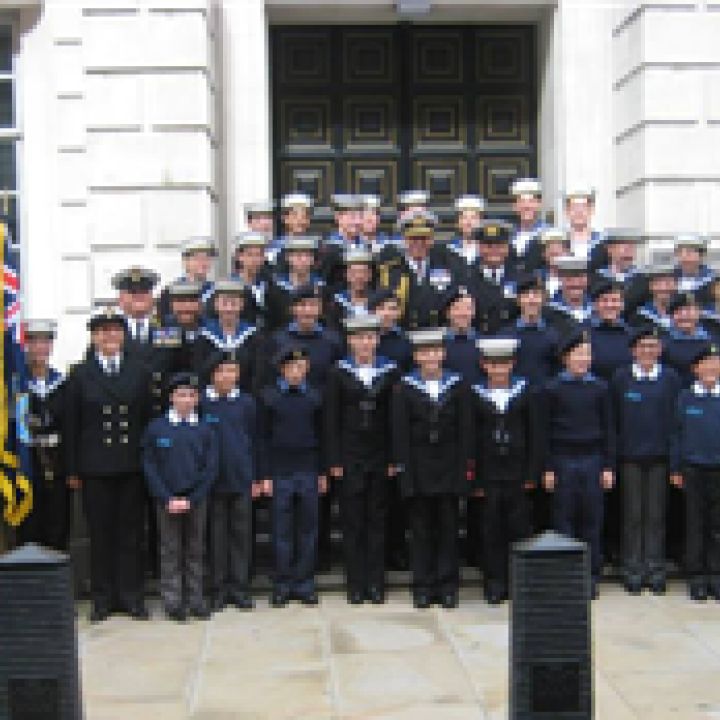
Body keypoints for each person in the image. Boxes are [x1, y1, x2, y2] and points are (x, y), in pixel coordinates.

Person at [64, 306, 151, 622]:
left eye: (115, 330)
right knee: (100, 535)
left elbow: (146, 421)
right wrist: (73, 469)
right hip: (95, 467)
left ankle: (131, 596)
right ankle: (102, 598)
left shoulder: (138, 371)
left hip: (130, 465)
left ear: (123, 335)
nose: (110, 336)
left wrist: (147, 463)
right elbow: (72, 426)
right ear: (94, 337)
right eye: (103, 331)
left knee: (131, 534)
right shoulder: (80, 374)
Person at [325, 315, 398, 604]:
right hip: (349, 456)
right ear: (350, 341)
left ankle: (376, 582)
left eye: (370, 337)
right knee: (353, 521)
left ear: (377, 340)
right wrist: (334, 459)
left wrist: (393, 457)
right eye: (359, 338)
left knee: (377, 521)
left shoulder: (389, 371)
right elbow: (331, 419)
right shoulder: (337, 373)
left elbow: (395, 420)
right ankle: (355, 583)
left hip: (379, 456)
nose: (365, 343)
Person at [392, 328, 466, 608]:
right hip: (419, 469)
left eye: (436, 351)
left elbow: (465, 431)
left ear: (443, 354)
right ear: (417, 356)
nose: (431, 357)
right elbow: (400, 435)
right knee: (420, 531)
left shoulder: (457, 386)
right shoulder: (404, 387)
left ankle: (447, 585)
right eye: (425, 352)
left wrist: (463, 471)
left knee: (448, 529)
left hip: (448, 467)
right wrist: (405, 473)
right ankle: (422, 585)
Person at [542, 329, 615, 598]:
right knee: (564, 520)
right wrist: (547, 467)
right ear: (565, 358)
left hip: (593, 459)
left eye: (587, 354)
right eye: (578, 354)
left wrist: (608, 466)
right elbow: (545, 431)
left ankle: (590, 576)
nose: (583, 359)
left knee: (592, 521)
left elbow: (609, 429)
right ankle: (566, 577)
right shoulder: (552, 389)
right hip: (563, 459)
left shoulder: (600, 388)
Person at [468, 338, 541, 604]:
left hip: (517, 473)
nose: (499, 370)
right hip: (488, 473)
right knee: (490, 530)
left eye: (504, 364)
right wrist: (473, 477)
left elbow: (535, 434)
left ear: (513, 364)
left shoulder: (526, 391)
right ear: (484, 365)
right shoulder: (474, 393)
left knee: (518, 530)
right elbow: (470, 437)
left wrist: (532, 473)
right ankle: (494, 581)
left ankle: (517, 581)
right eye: (493, 364)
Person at [142, 372, 218, 621]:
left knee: (196, 550)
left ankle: (196, 599)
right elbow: (150, 466)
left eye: (191, 395)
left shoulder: (204, 429)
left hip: (196, 499)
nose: (186, 400)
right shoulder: (157, 429)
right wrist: (166, 497)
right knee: (170, 550)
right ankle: (173, 601)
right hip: (167, 500)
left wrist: (193, 498)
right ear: (171, 398)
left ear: (197, 399)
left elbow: (210, 467)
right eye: (181, 395)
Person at [610, 326, 680, 594]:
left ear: (660, 350)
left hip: (660, 458)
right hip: (630, 458)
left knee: (656, 516)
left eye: (653, 346)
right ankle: (632, 569)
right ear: (633, 350)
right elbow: (614, 420)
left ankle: (655, 569)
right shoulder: (622, 378)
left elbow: (676, 422)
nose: (648, 351)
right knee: (633, 516)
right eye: (643, 346)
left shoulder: (670, 378)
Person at [258, 345, 326, 606]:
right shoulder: (269, 397)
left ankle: (305, 582)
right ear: (282, 370)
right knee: (281, 530)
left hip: (308, 468)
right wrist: (265, 474)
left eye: (300, 367)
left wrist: (321, 471)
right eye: (291, 368)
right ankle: (282, 583)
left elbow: (322, 436)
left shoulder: (315, 397)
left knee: (308, 529)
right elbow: (262, 438)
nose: (296, 373)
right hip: (280, 470)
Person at [201, 351, 260, 612]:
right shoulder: (203, 402)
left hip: (241, 479)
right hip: (212, 482)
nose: (227, 377)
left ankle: (240, 588)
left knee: (241, 537)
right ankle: (218, 589)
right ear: (212, 374)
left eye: (232, 371)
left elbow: (256, 441)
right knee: (216, 538)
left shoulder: (246, 403)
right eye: (222, 371)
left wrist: (256, 477)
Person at [670, 342, 720, 601]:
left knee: (717, 526)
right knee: (695, 524)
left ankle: (716, 574)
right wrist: (676, 467)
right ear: (695, 369)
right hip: (693, 468)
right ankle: (696, 576)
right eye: (706, 364)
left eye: (716, 363)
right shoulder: (686, 397)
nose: (711, 368)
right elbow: (677, 434)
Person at [16, 319, 70, 551]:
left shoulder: (61, 382)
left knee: (57, 521)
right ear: (25, 345)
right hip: (26, 461)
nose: (40, 347)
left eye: (45, 341)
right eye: (34, 341)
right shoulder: (17, 383)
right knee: (29, 524)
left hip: (56, 462)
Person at [377, 209, 450, 330]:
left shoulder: (445, 264)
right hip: (404, 334)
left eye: (424, 238)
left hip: (438, 333)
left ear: (431, 240)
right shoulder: (391, 269)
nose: (419, 243)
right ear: (404, 239)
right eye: (413, 238)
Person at [194, 278, 260, 388]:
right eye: (224, 303)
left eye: (234, 303)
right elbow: (200, 372)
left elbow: (257, 373)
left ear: (241, 305)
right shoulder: (203, 336)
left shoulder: (254, 336)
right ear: (216, 305)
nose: (229, 309)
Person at [502, 273, 559, 387]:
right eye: (526, 295)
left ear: (544, 299)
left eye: (536, 294)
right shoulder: (505, 335)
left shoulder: (555, 336)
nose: (531, 300)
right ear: (518, 300)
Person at [469, 219, 518, 335]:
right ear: (479, 247)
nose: (494, 251)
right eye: (489, 245)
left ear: (507, 248)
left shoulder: (520, 277)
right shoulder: (466, 276)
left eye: (499, 245)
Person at [266, 235, 326, 330]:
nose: (303, 260)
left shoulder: (322, 288)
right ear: (288, 258)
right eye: (298, 255)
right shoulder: (275, 288)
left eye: (307, 256)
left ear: (313, 259)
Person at [158, 236, 217, 321]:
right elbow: (163, 322)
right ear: (185, 261)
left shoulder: (216, 292)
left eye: (207, 258)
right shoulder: (170, 292)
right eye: (197, 258)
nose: (203, 262)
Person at [662, 291, 713, 387]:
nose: (684, 315)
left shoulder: (714, 336)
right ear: (671, 316)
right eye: (679, 311)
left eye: (689, 310)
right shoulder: (662, 341)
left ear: (699, 312)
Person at [325, 248, 375, 329]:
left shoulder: (378, 301)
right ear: (347, 275)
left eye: (363, 272)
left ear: (370, 275)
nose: (359, 277)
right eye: (354, 272)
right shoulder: (337, 301)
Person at [442, 285, 481, 386]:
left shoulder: (483, 344)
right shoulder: (438, 345)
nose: (463, 313)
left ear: (474, 312)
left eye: (468, 308)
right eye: (457, 308)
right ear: (447, 312)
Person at [544, 254, 593, 335]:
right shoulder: (549, 309)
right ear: (560, 279)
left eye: (580, 277)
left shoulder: (596, 308)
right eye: (569, 278)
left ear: (587, 280)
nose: (575, 283)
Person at [232, 231, 272, 329]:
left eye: (259, 255)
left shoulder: (270, 286)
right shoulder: (229, 288)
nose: (255, 260)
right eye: (250, 255)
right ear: (239, 256)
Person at [563, 186, 607, 270]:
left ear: (592, 210)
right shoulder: (559, 243)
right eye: (574, 207)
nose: (579, 212)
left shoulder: (603, 243)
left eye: (583, 206)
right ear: (567, 211)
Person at [509, 178, 545, 275]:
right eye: (522, 201)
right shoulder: (508, 235)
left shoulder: (548, 234)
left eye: (531, 201)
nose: (526, 206)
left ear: (539, 204)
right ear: (514, 206)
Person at [444, 195, 485, 282]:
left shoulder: (488, 249)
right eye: (464, 218)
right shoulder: (449, 249)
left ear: (481, 221)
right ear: (458, 222)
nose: (469, 223)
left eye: (473, 218)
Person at [631, 263, 677, 330]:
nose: (664, 288)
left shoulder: (680, 313)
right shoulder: (641, 314)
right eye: (659, 283)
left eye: (668, 283)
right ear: (651, 286)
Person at [674, 233, 715, 306]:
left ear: (701, 256)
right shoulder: (670, 279)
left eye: (689, 252)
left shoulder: (712, 281)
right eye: (680, 252)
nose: (683, 257)